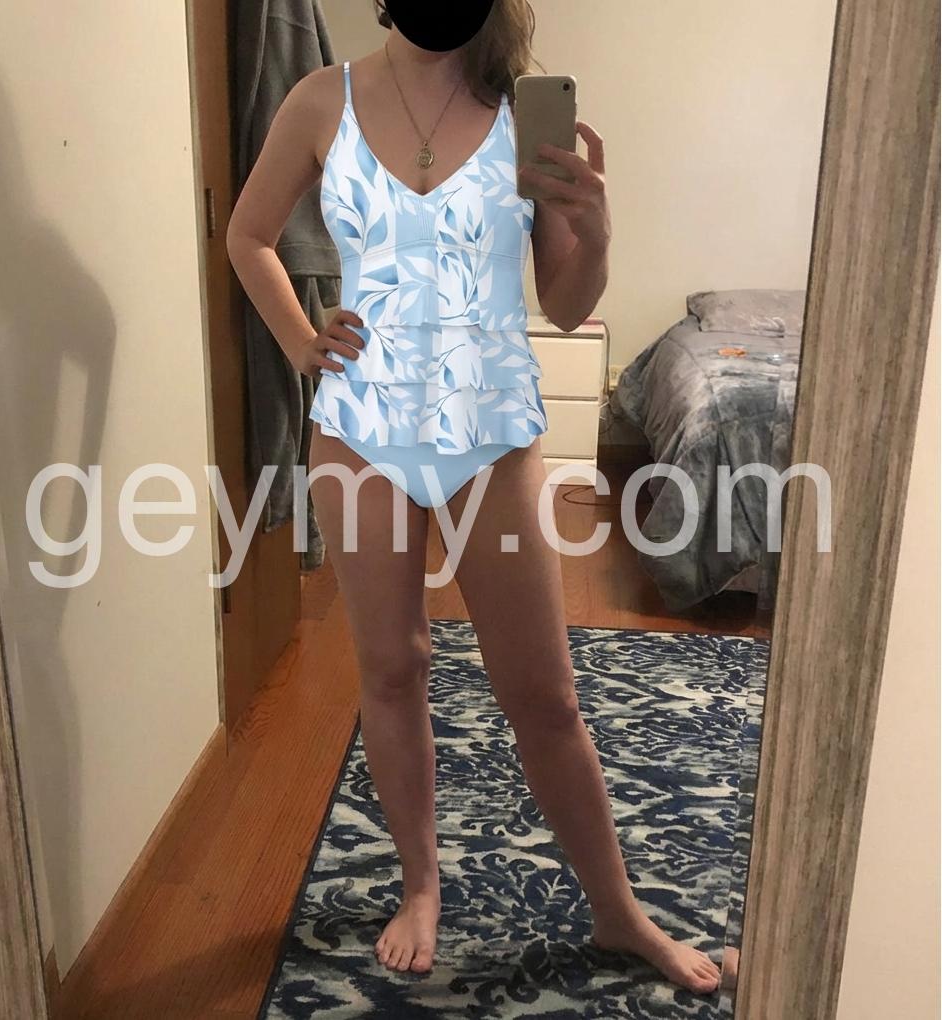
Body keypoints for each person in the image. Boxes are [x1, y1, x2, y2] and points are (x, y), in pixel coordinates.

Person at [226, 0, 721, 996]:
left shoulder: (519, 112)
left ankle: (618, 912)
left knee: (546, 697)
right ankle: (420, 885)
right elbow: (249, 235)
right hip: (360, 430)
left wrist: (596, 229)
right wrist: (301, 343)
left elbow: (566, 307)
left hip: (490, 432)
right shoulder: (321, 99)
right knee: (392, 669)